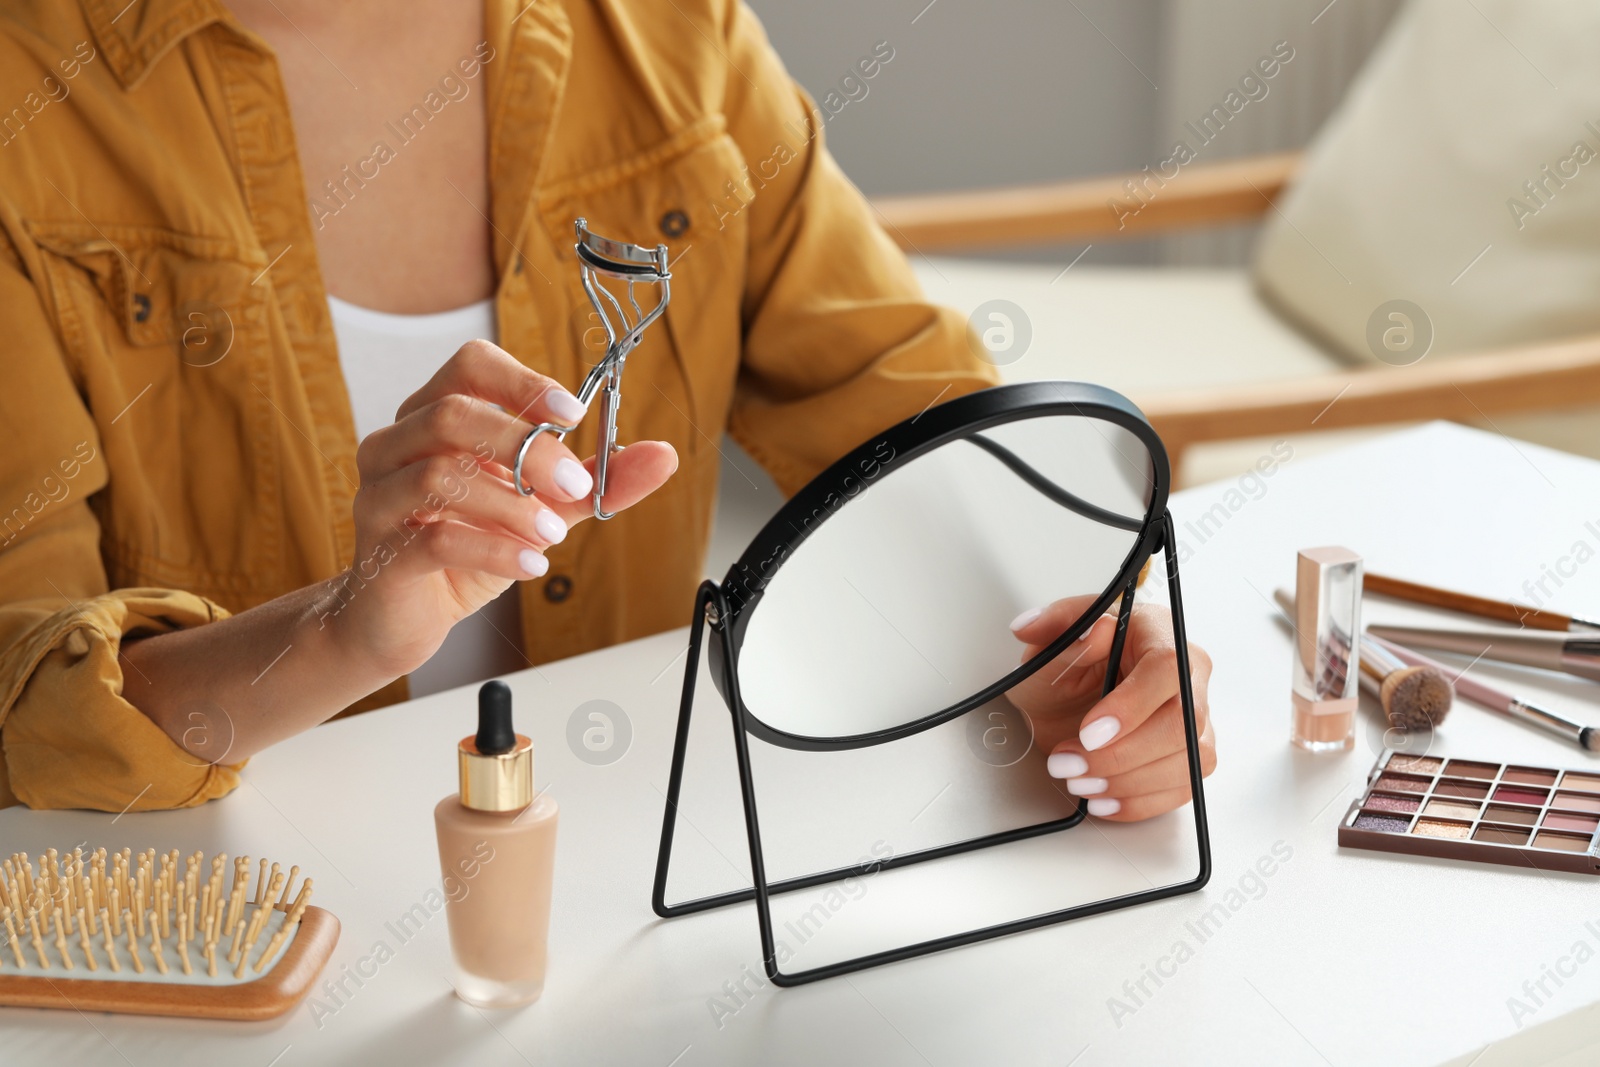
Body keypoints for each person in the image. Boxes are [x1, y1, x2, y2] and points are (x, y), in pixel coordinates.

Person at [0, 0, 1214, 819]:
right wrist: (336, 634)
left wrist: (1106, 635)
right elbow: (20, 701)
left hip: (629, 875)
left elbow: (915, 415)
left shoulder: (672, 34)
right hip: (234, 930)